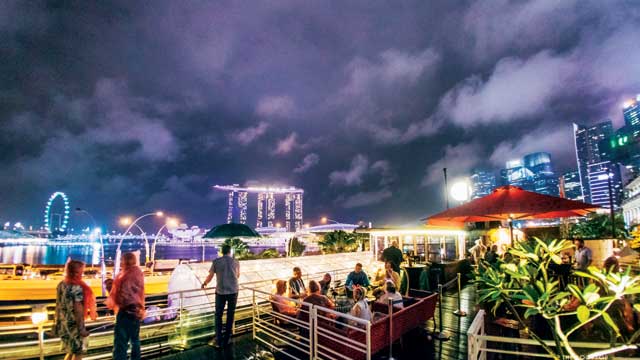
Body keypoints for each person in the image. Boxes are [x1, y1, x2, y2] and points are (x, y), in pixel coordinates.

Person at [54, 260, 97, 360]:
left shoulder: (62, 284)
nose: (82, 273)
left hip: (63, 323)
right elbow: (78, 309)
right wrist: (81, 329)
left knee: (70, 351)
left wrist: (58, 322)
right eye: (81, 271)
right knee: (78, 353)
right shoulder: (76, 287)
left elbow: (58, 304)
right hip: (74, 324)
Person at [107, 252, 145, 360]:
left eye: (122, 260)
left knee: (121, 342)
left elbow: (121, 296)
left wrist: (110, 287)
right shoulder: (139, 273)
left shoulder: (122, 276)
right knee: (135, 340)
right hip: (136, 311)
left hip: (125, 312)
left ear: (124, 261)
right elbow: (140, 293)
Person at [202, 244, 240, 348]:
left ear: (221, 251)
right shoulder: (236, 262)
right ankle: (227, 339)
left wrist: (204, 283)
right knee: (230, 315)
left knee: (218, 315)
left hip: (220, 292)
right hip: (233, 291)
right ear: (230, 251)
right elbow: (237, 276)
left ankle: (218, 339)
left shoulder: (216, 262)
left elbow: (210, 276)